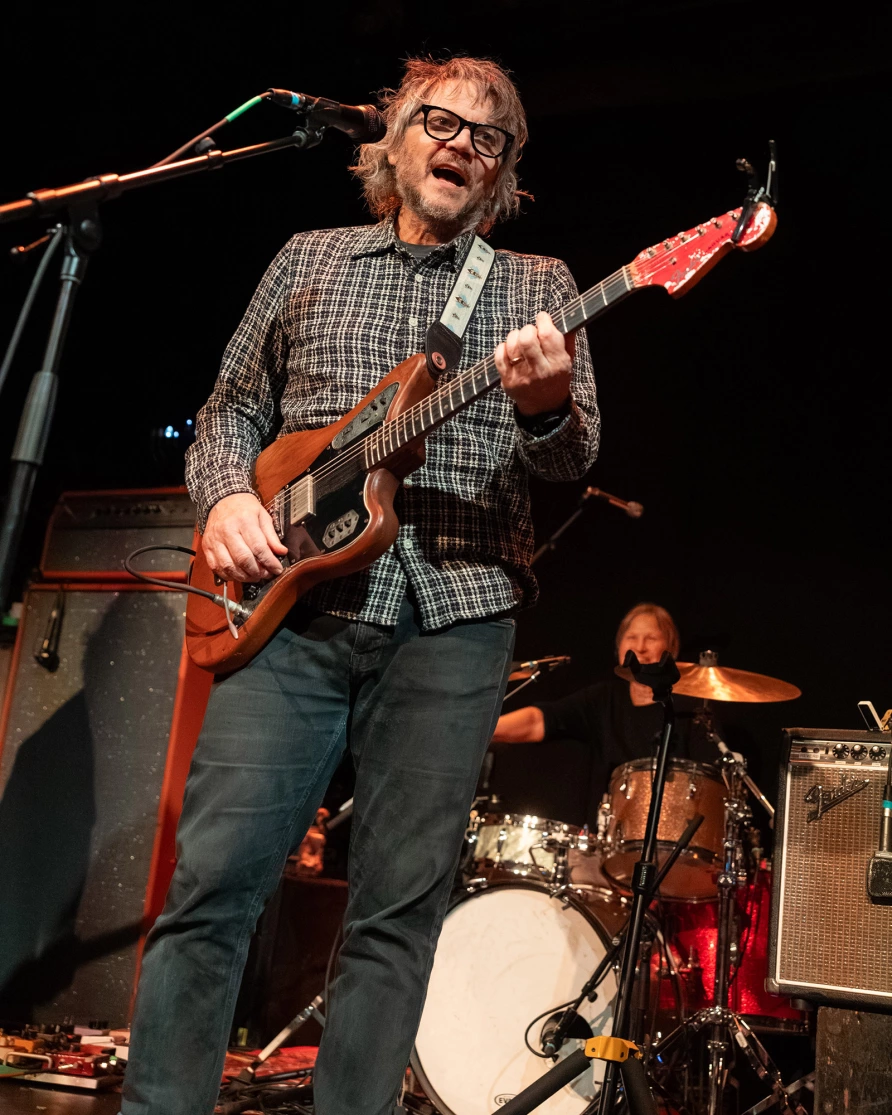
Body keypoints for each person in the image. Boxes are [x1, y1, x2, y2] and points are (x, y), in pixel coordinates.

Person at [120, 56, 599, 1115]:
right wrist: (224, 506)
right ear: (394, 137)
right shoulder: (310, 258)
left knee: (395, 917)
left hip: (454, 619)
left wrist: (546, 404)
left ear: (504, 171)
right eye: (440, 122)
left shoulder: (539, 285)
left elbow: (571, 460)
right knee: (211, 891)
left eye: (489, 137)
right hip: (288, 618)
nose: (460, 145)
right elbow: (227, 413)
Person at [491, 603, 716, 829]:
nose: (640, 647)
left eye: (651, 638)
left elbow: (713, 783)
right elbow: (539, 720)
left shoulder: (692, 708)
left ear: (671, 648)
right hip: (607, 840)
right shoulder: (604, 698)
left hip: (674, 837)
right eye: (631, 638)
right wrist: (481, 732)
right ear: (619, 647)